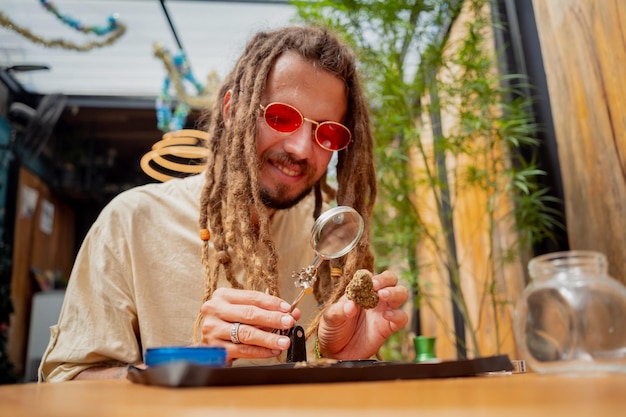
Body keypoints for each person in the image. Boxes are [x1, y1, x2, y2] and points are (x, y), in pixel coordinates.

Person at [39, 25, 409, 382]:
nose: (300, 148)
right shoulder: (131, 222)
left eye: (326, 132)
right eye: (281, 117)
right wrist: (196, 360)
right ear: (233, 110)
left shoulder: (332, 237)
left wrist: (343, 362)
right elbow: (66, 383)